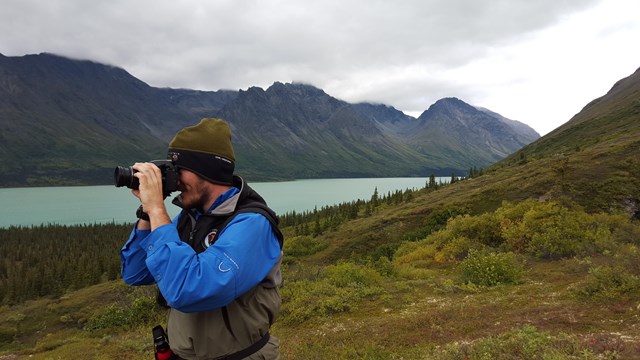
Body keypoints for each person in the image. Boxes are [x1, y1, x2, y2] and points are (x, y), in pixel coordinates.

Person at [120, 118, 284, 359]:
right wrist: (147, 212)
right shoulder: (190, 218)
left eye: (179, 170)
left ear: (206, 170)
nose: (174, 180)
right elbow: (135, 272)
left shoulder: (252, 224)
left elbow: (189, 290)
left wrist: (157, 209)